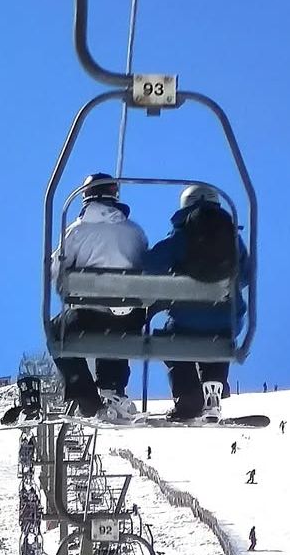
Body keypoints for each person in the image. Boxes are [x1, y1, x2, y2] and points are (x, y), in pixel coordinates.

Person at [143, 185, 248, 421]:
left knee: (171, 341)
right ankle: (214, 387)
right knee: (219, 340)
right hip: (226, 323)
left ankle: (188, 399)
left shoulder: (181, 236)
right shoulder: (233, 238)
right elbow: (247, 275)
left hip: (184, 321)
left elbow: (152, 264)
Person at [51, 173, 148, 419]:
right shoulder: (135, 232)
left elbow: (54, 270)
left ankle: (88, 400)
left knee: (56, 332)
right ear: (114, 194)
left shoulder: (76, 232)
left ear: (86, 197)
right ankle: (113, 389)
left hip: (89, 319)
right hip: (130, 322)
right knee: (118, 321)